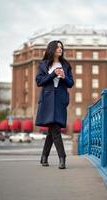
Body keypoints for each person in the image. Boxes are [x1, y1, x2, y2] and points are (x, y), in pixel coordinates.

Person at [35, 40, 74, 169]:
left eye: (61, 47)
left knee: (53, 130)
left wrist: (63, 77)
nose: (60, 49)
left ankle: (44, 156)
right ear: (52, 49)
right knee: (55, 129)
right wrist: (53, 74)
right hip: (47, 101)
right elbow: (39, 81)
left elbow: (70, 83)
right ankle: (62, 158)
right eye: (57, 47)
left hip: (60, 101)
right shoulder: (43, 64)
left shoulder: (66, 65)